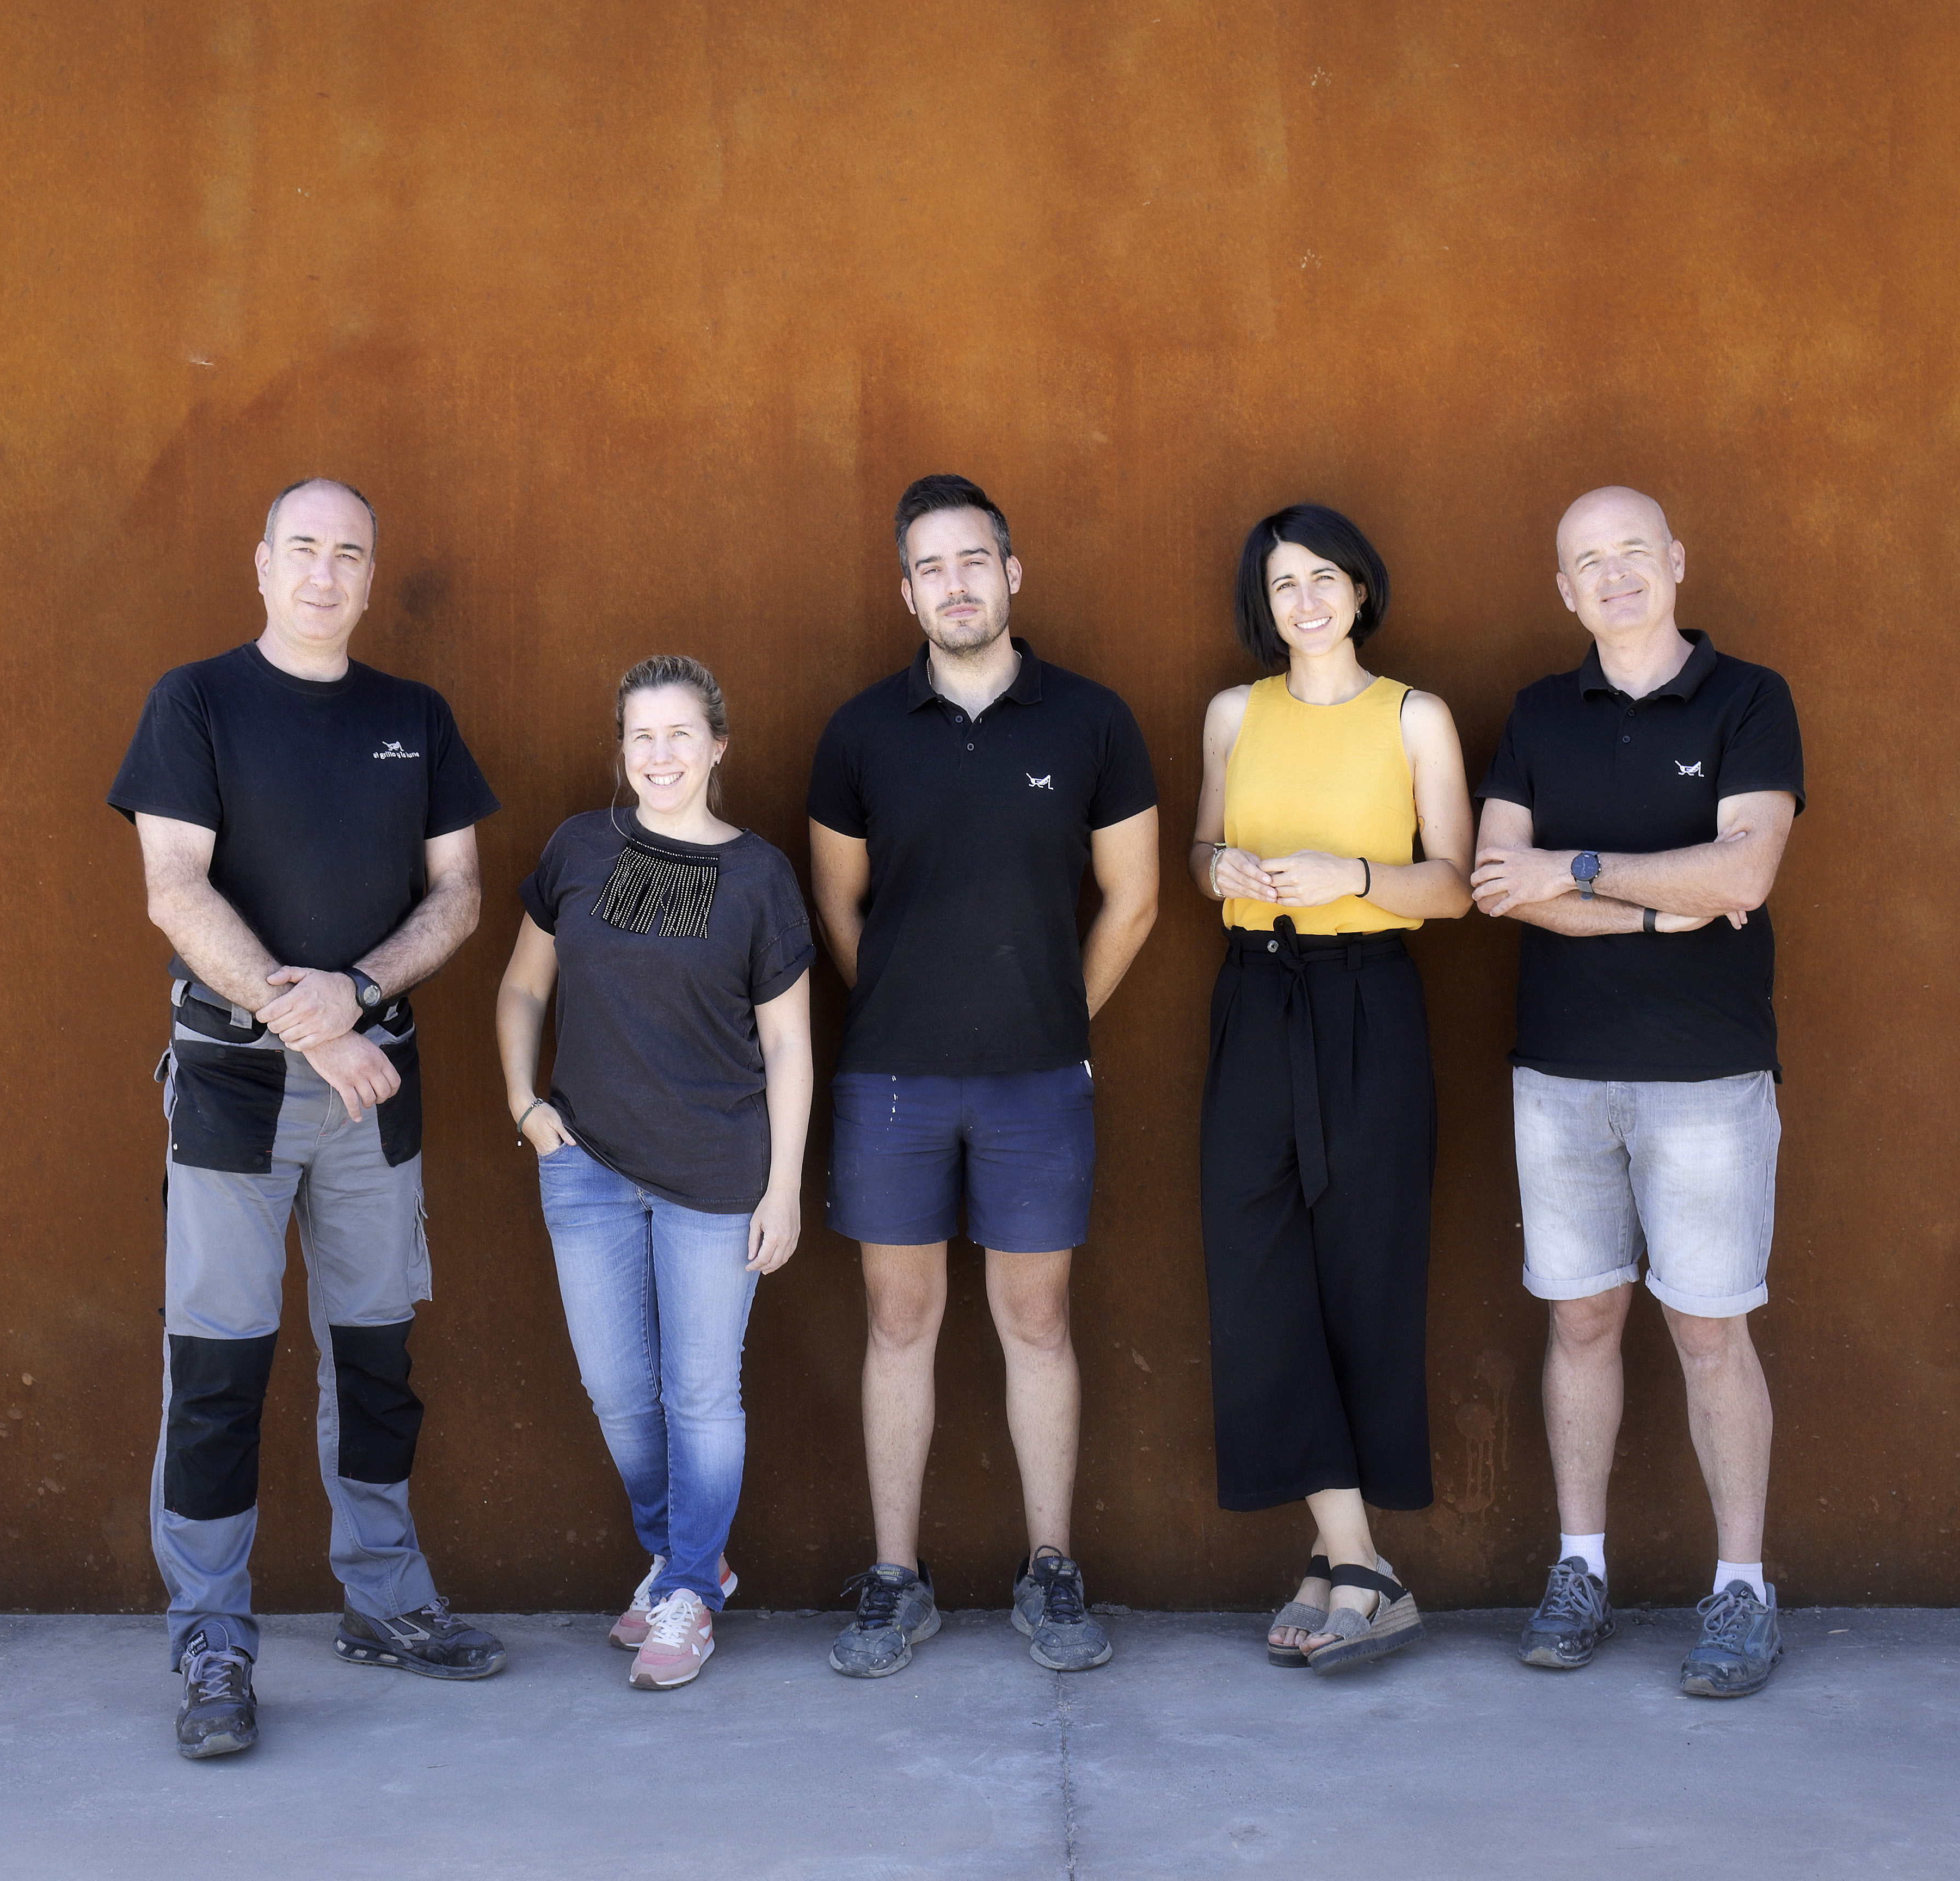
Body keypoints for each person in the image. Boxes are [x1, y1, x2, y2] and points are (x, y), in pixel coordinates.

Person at [107, 477, 507, 1762]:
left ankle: (383, 1601)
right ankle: (211, 1638)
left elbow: (460, 894)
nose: (325, 573)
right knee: (218, 1371)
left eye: (350, 553)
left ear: (372, 576)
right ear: (261, 562)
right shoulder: (197, 701)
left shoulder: (415, 717)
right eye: (303, 549)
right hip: (234, 1086)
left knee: (377, 1360)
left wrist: (366, 995)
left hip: (374, 1093)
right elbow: (174, 888)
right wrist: (314, 1022)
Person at [808, 474, 1160, 1677]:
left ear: (1014, 573)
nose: (954, 585)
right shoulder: (859, 733)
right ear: (905, 591)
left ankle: (1051, 1570)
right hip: (892, 1083)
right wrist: (919, 1013)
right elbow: (839, 908)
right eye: (930, 568)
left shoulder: (1094, 722)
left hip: (1038, 1081)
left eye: (975, 561)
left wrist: (1052, 1017)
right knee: (898, 1320)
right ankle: (896, 1578)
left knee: (1036, 1319)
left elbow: (1134, 898)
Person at [1470, 485, 1804, 1698]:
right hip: (1560, 1075)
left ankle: (1742, 1588)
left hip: (1708, 1077)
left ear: (1676, 558)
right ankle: (1580, 1568)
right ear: (1564, 590)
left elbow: (1750, 868)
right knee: (1581, 1320)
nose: (1613, 576)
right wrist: (1668, 902)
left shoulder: (1750, 700)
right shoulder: (1537, 714)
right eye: (1586, 562)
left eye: (1631, 553)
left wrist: (1584, 871)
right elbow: (1498, 881)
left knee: (1711, 1331)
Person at [494, 655, 815, 1693]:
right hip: (585, 1164)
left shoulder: (760, 876)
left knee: (700, 1394)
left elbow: (790, 1050)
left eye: (681, 734)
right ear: (621, 749)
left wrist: (785, 1188)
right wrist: (525, 1107)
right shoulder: (580, 848)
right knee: (618, 1389)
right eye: (641, 735)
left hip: (716, 1174)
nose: (660, 755)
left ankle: (686, 1590)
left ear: (718, 746)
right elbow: (519, 988)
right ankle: (688, 1556)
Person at [1189, 504, 1473, 1673]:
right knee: (1255, 1270)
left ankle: (1335, 1558)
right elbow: (1200, 853)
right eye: (1281, 584)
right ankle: (1360, 1559)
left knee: (1365, 1268)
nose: (1303, 601)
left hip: (1369, 1000)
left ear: (1362, 588)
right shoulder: (1230, 713)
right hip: (1256, 997)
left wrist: (1353, 872)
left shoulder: (1417, 717)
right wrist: (1231, 869)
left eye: (1323, 578)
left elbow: (1455, 888)